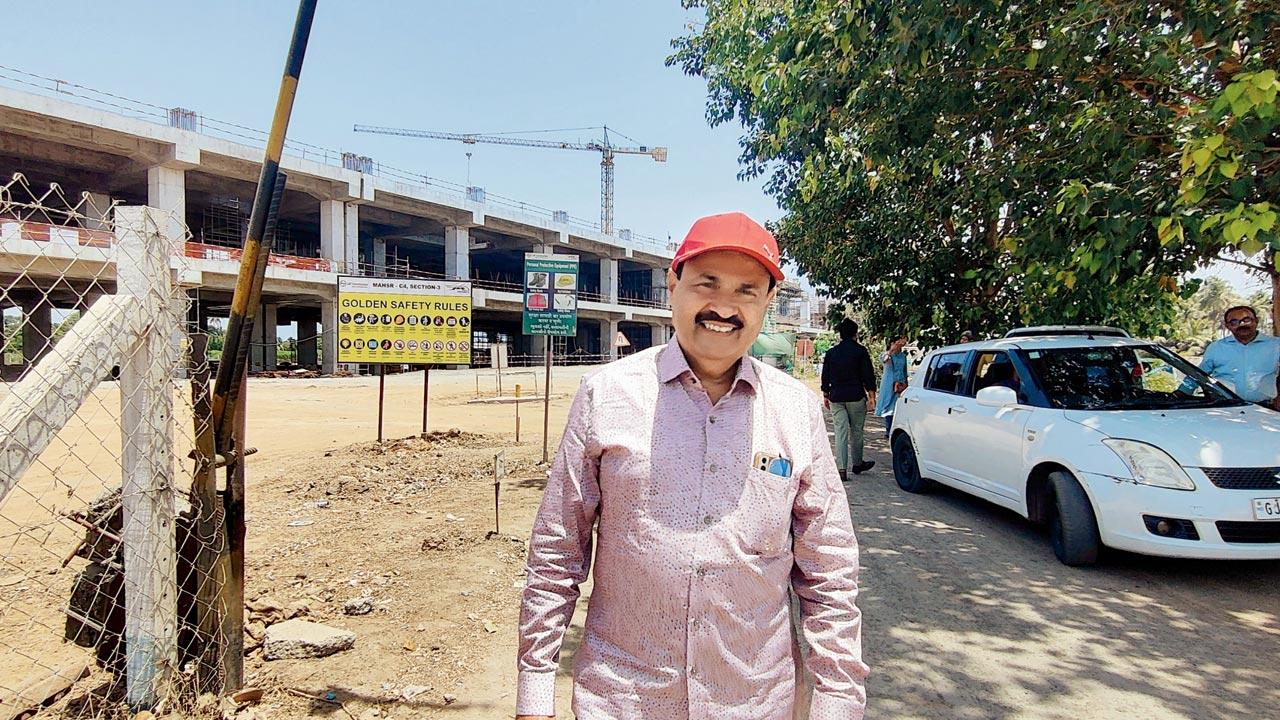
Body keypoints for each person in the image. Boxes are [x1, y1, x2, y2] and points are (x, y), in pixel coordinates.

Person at [516, 212, 868, 720]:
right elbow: (558, 548)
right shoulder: (606, 396)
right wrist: (535, 690)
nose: (724, 307)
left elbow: (828, 567)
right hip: (623, 699)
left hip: (755, 701)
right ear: (673, 284)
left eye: (747, 290)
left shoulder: (796, 410)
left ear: (768, 303)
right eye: (708, 283)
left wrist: (838, 700)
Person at [820, 318, 878, 480]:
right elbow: (868, 375)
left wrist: (826, 394)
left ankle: (841, 469)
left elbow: (825, 376)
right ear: (855, 334)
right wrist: (872, 396)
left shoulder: (831, 353)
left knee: (840, 432)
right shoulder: (861, 351)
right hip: (856, 397)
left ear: (840, 334)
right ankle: (857, 463)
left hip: (836, 397)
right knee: (857, 431)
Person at [1200, 305, 1280, 410]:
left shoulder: (1276, 345)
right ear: (1228, 326)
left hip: (1264, 408)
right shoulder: (1217, 347)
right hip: (1224, 408)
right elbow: (1199, 374)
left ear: (1256, 321)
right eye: (1234, 322)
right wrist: (1181, 393)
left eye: (1246, 320)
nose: (1241, 324)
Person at [875, 335, 909, 437]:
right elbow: (884, 360)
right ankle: (888, 430)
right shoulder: (886, 355)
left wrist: (906, 384)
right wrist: (891, 351)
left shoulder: (903, 356)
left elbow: (905, 370)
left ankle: (895, 430)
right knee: (888, 406)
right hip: (889, 384)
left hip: (900, 383)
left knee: (898, 406)